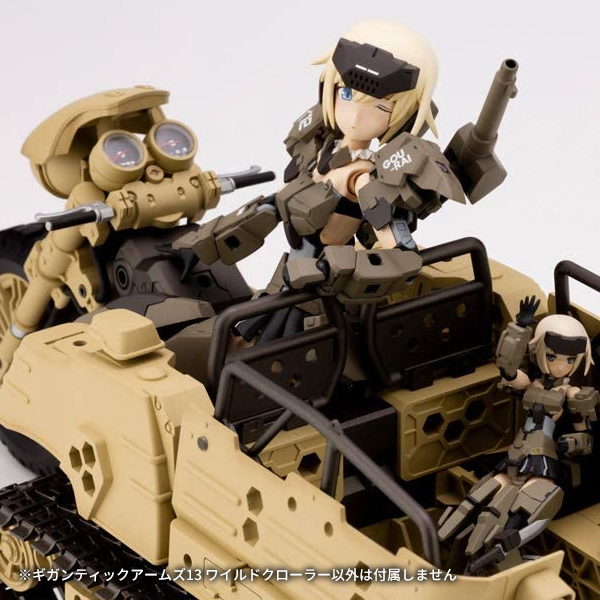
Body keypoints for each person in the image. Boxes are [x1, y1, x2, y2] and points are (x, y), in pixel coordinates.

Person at [438, 297, 599, 573]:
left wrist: (571, 443)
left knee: (531, 501)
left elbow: (585, 435)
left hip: (544, 458)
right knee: (483, 498)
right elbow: (509, 371)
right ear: (540, 352)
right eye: (552, 357)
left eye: (570, 360)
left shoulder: (572, 394)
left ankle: (504, 546)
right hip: (516, 454)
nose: (560, 366)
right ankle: (450, 540)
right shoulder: (532, 383)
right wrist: (518, 329)